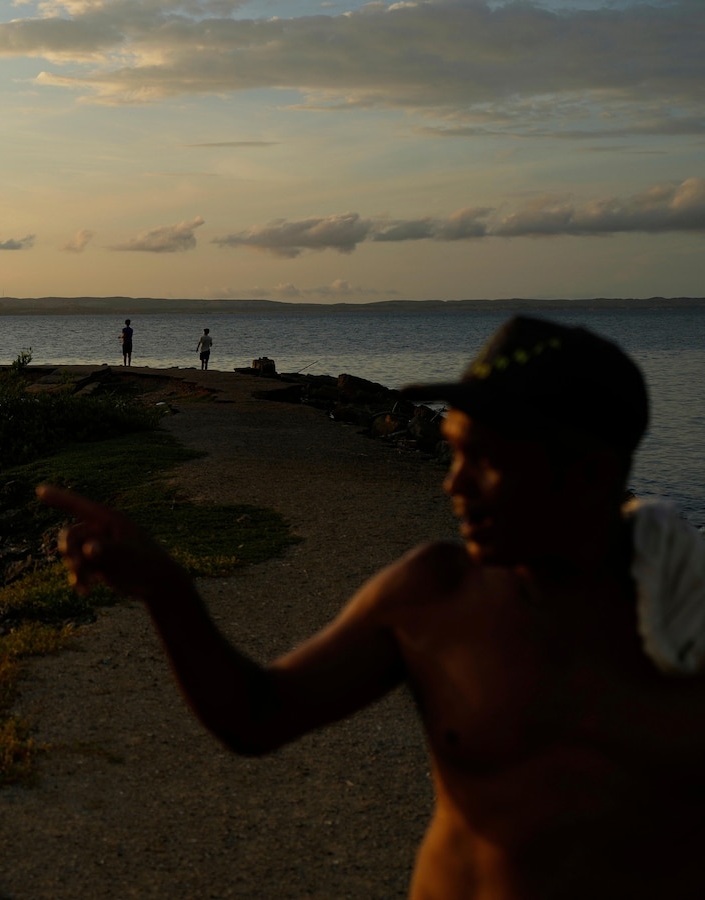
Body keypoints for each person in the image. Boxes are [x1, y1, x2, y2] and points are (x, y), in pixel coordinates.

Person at [41, 316, 705, 898]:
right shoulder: (436, 595)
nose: (453, 483)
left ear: (590, 474)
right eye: (453, 453)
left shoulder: (684, 629)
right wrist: (165, 588)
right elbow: (257, 715)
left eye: (488, 462)